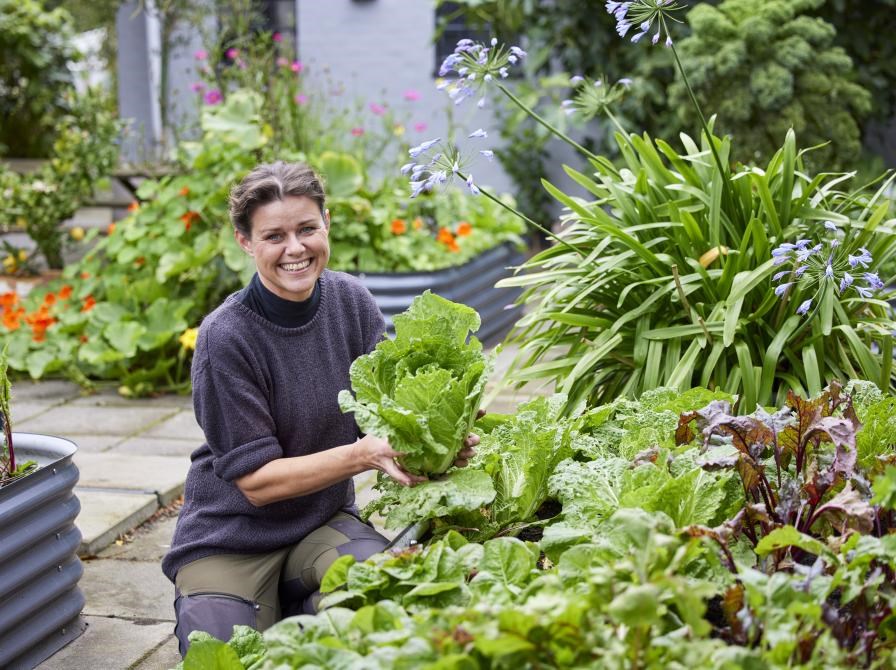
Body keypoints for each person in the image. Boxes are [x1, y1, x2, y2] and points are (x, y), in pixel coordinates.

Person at [161, 161, 477, 656]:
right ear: (245, 242)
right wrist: (362, 455)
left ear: (327, 223)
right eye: (274, 236)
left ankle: (301, 608)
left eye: (307, 229)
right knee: (224, 656)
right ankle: (275, 608)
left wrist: (438, 441)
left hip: (321, 524)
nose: (295, 249)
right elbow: (258, 484)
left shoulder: (350, 302)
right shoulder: (226, 337)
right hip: (230, 539)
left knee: (385, 603)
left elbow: (385, 415)